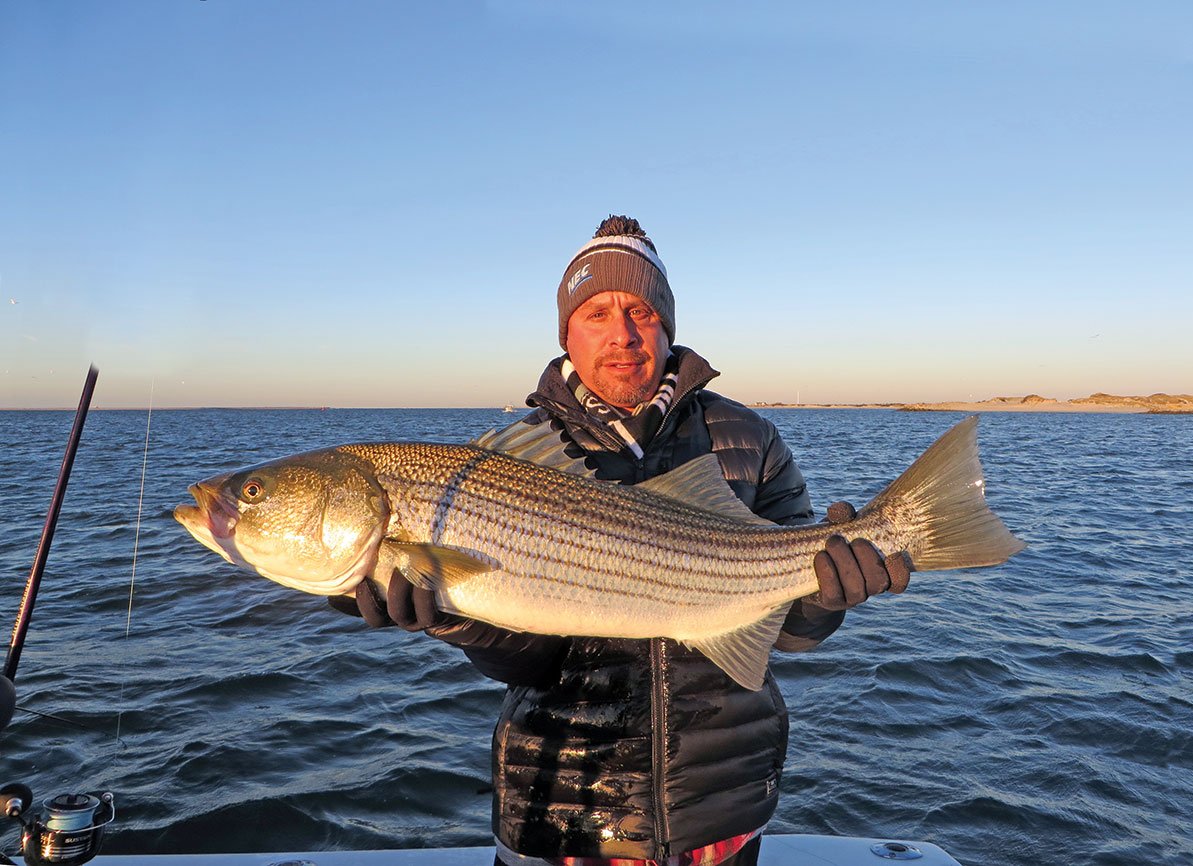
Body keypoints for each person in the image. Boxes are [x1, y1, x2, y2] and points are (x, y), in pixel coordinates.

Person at [344, 216, 909, 866]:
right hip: (556, 814)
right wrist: (454, 618)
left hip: (719, 813)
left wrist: (822, 599)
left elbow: (791, 635)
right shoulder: (516, 460)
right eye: (596, 313)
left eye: (641, 310)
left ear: (667, 324)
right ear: (565, 333)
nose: (622, 333)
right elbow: (529, 665)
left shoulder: (750, 439)